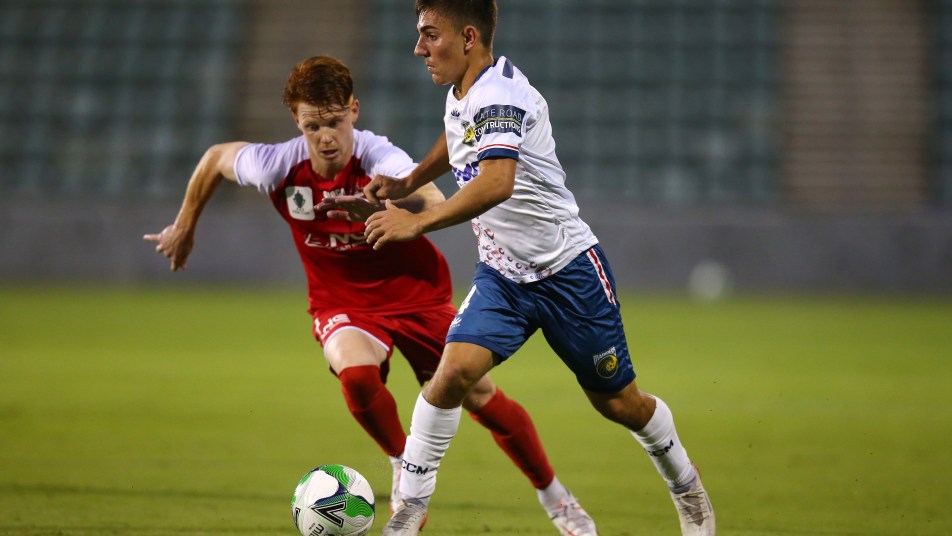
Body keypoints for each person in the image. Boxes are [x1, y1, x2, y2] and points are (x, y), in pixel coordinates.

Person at [143, 55, 597, 535]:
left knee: (481, 397)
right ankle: (403, 462)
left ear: (354, 111)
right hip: (341, 302)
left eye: (335, 122)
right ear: (296, 121)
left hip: (416, 294)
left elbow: (434, 200)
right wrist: (185, 225)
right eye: (313, 125)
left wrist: (385, 203)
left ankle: (554, 494)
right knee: (357, 374)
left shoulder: (379, 157)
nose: (326, 136)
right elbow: (216, 158)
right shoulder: (277, 165)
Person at [355, 2, 716, 535]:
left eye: (430, 35)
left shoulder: (501, 95)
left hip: (568, 273)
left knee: (620, 403)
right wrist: (410, 180)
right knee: (451, 374)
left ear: (469, 37)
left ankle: (686, 484)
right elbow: (458, 139)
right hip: (503, 278)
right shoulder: (464, 93)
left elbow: (497, 181)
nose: (419, 48)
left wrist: (419, 221)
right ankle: (409, 508)